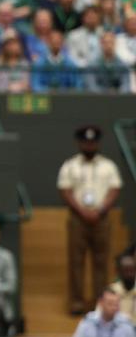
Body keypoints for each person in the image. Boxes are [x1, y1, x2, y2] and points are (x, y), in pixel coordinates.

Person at [58, 125, 123, 315]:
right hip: (78, 218)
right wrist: (82, 211)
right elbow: (65, 189)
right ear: (79, 143)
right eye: (85, 142)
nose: (89, 145)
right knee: (76, 261)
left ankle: (99, 302)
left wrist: (101, 209)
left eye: (92, 142)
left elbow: (115, 188)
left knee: (101, 262)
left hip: (101, 218)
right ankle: (77, 302)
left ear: (97, 143)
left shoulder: (108, 165)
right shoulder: (70, 165)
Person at [71, 289, 136, 337]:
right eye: (110, 303)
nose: (114, 307)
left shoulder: (126, 325)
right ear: (101, 302)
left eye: (116, 304)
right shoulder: (87, 322)